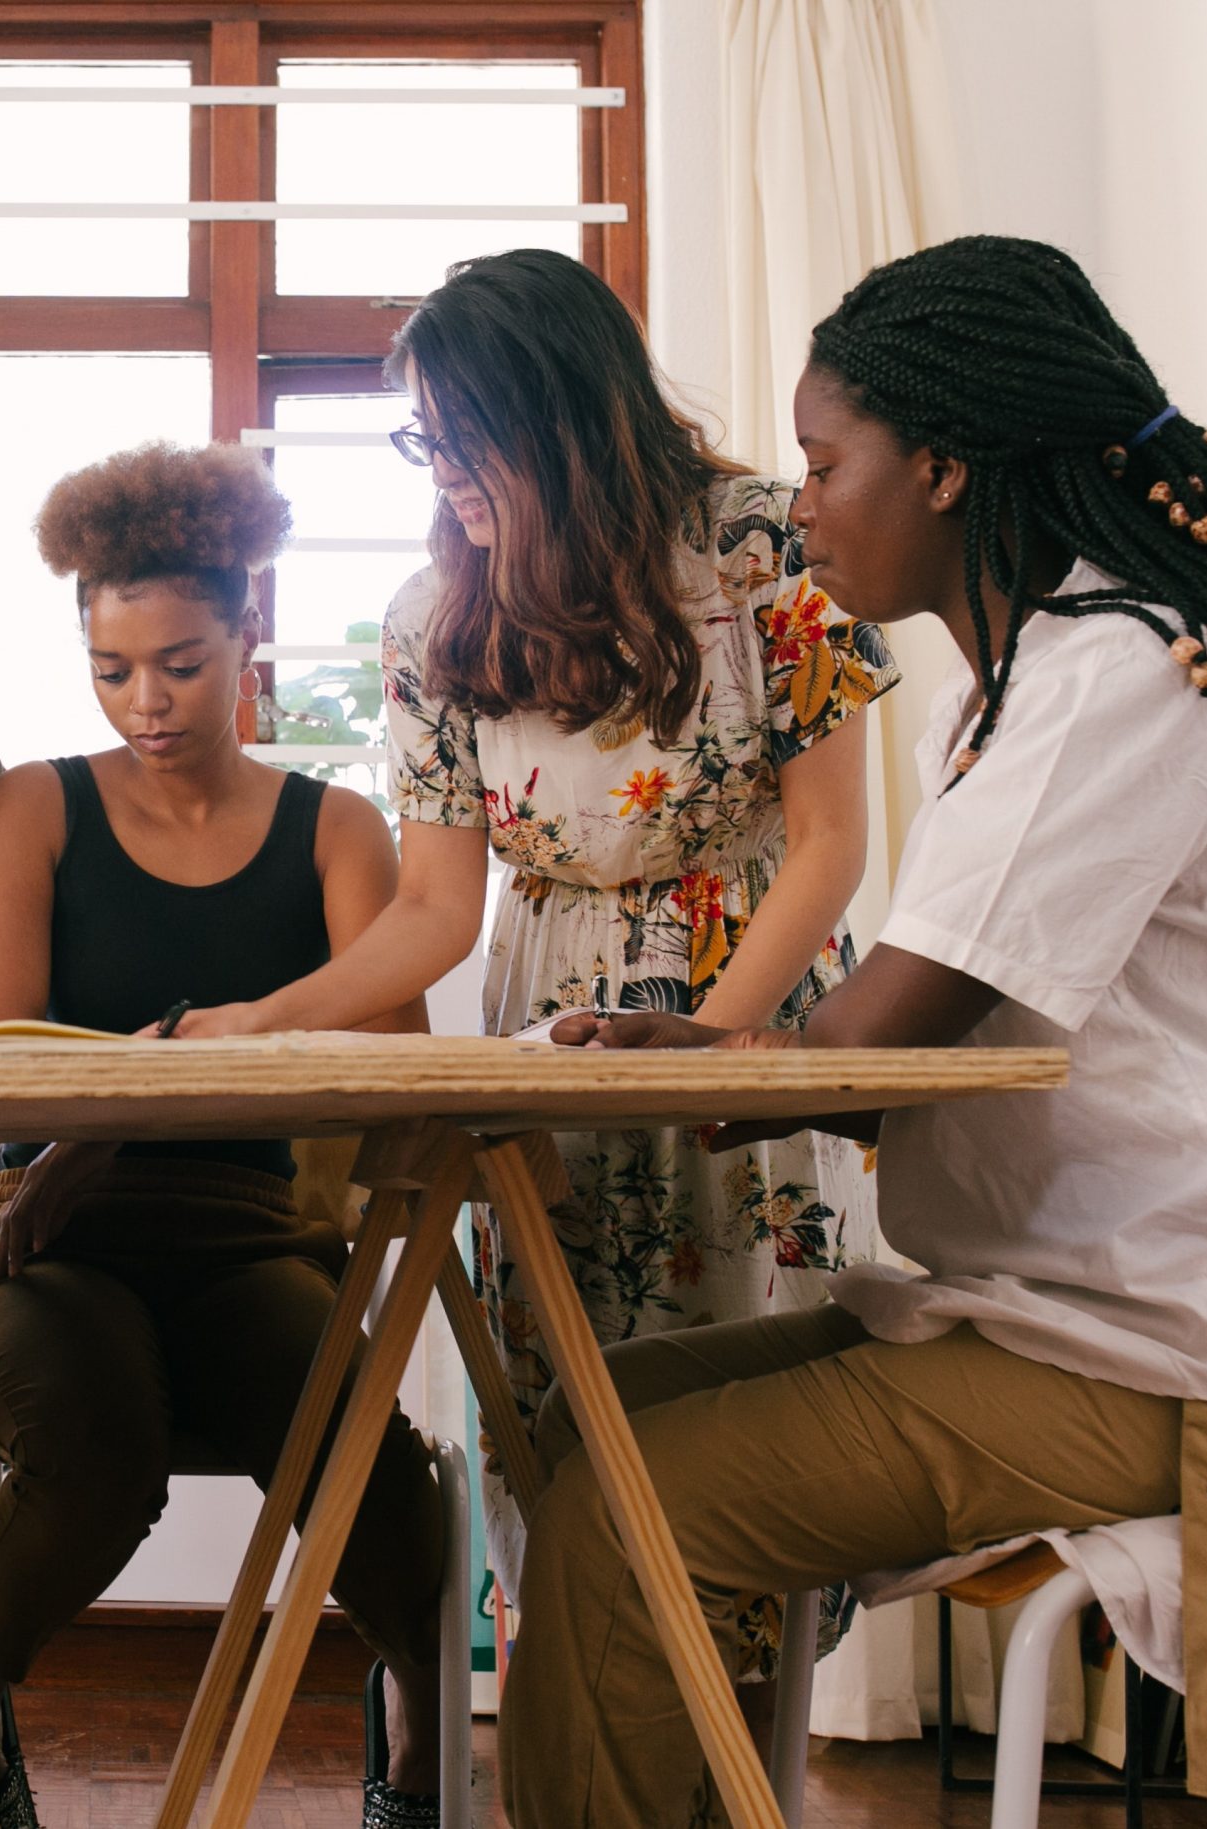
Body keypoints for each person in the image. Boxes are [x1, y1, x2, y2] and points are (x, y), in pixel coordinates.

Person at [505, 234, 1207, 1827]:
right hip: (1072, 1305)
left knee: (629, 1507)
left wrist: (729, 1061)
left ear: (949, 465)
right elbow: (912, 1044)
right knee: (592, 1413)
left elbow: (892, 1031)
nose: (808, 501)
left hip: (1184, 1350)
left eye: (831, 463)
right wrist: (748, 1057)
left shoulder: (1116, 670)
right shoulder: (1048, 675)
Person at [165, 249, 898, 1680]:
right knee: (561, 1417)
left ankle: (753, 1773)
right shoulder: (433, 623)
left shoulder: (763, 545)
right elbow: (434, 908)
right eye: (421, 440)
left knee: (763, 1440)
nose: (440, 474)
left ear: (558, 411)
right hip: (553, 1034)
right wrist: (265, 1018)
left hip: (744, 1019)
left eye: (460, 437)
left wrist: (710, 1049)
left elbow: (826, 845)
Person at [0, 443, 445, 1829]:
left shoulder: (341, 830)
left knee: (382, 1484)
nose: (146, 703)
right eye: (112, 669)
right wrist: (170, 1071)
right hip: (49, 1247)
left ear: (248, 635)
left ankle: (409, 1729)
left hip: (250, 1245)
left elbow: (389, 1076)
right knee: (103, 1438)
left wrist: (147, 1079)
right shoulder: (35, 807)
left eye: (181, 663)